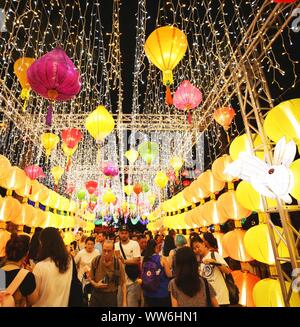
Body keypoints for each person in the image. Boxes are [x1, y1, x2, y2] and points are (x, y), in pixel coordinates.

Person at [32, 227, 73, 306]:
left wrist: (30, 277)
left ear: (43, 244)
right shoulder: (69, 262)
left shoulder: (40, 266)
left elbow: (33, 298)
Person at [1, 234, 38, 307]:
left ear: (6, 252)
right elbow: (33, 300)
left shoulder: (1, 273)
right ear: (26, 254)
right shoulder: (27, 276)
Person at [89, 240, 126, 307]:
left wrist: (124, 302)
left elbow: (123, 283)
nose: (106, 253)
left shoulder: (117, 264)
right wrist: (96, 284)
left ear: (113, 250)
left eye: (109, 251)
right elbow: (90, 278)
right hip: (96, 294)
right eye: (104, 250)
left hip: (110, 296)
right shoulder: (96, 260)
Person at [198, 236, 231, 306]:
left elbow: (227, 271)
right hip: (209, 300)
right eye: (194, 248)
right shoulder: (200, 261)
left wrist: (214, 262)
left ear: (203, 244)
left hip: (221, 297)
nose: (196, 250)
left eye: (197, 246)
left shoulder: (214, 255)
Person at [114, 225, 141, 307]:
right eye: (122, 233)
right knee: (120, 304)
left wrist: (124, 261)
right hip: (120, 281)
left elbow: (137, 260)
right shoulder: (116, 245)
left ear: (128, 234)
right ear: (119, 234)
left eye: (126, 233)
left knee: (131, 304)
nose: (124, 235)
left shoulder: (134, 244)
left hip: (132, 279)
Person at [142, 239, 172, 307]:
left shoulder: (145, 259)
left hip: (148, 293)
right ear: (155, 247)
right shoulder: (162, 258)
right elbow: (169, 274)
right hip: (162, 292)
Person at [74, 237, 100, 306]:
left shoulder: (97, 252)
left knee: (92, 297)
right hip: (81, 278)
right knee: (82, 297)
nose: (90, 246)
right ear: (85, 244)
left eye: (92, 244)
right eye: (88, 244)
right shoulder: (80, 253)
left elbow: (99, 265)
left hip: (93, 279)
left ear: (94, 245)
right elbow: (74, 263)